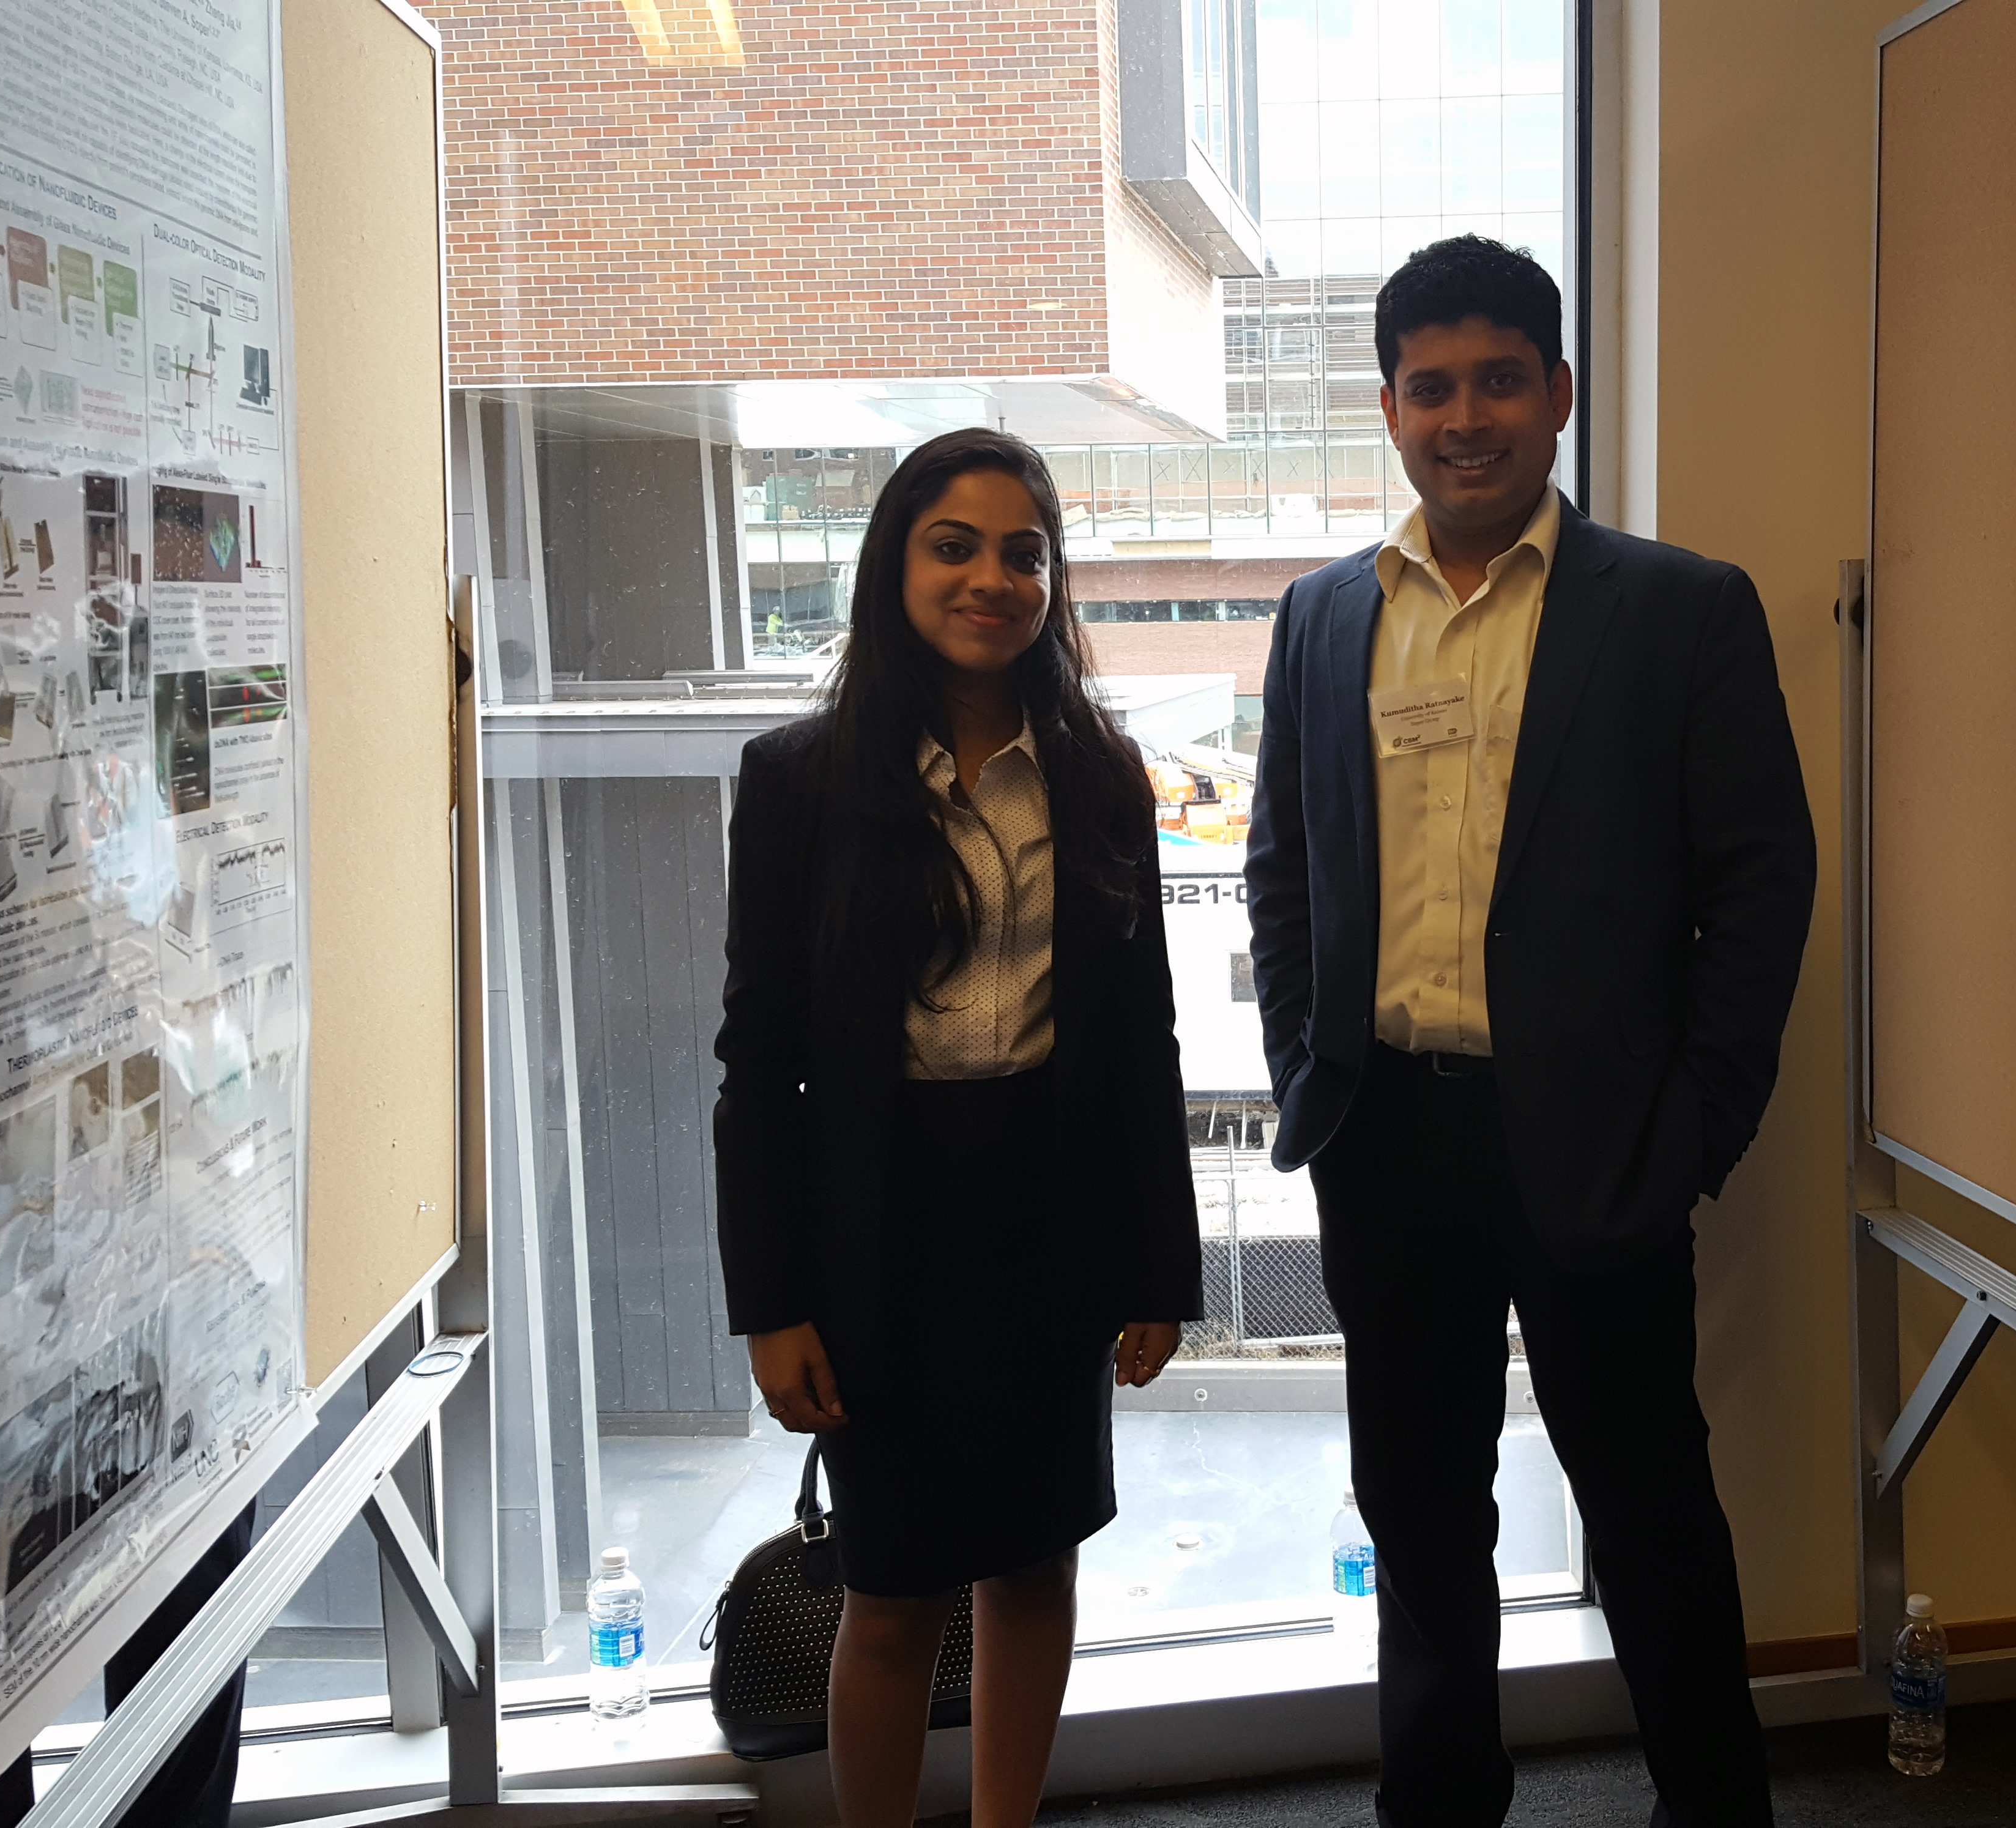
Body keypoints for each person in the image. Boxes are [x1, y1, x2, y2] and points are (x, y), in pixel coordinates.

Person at [1244, 236, 1817, 1828]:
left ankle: (1716, 1806)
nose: (1466, 415)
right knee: (1423, 1511)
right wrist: (1314, 1080)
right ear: (1390, 409)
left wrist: (1696, 1127)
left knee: (1647, 1509)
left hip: (1602, 1141)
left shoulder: (1680, 611)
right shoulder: (1320, 622)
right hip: (1389, 1139)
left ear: (1559, 395)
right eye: (1432, 386)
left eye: (1501, 378)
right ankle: (1441, 1804)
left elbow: (1760, 885)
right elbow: (1283, 868)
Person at [714, 428, 1201, 1828]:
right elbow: (760, 1063)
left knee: (1036, 1564)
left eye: (1024, 553)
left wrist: (1159, 1272)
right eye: (956, 545)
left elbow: (1144, 1041)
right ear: (895, 565)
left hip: (1047, 1217)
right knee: (891, 1586)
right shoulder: (802, 781)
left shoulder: (1102, 776)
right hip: (883, 1232)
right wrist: (774, 1302)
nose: (992, 579)